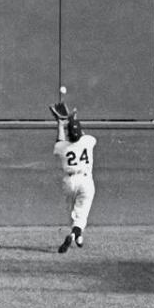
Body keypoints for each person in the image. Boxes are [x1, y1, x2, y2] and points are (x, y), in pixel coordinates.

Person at [50, 102, 96, 253]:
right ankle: (74, 234)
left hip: (69, 181)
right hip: (85, 180)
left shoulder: (63, 147)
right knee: (81, 215)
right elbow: (80, 134)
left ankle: (77, 236)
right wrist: (73, 119)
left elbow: (60, 141)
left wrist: (60, 124)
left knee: (73, 214)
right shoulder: (88, 141)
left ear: (68, 134)